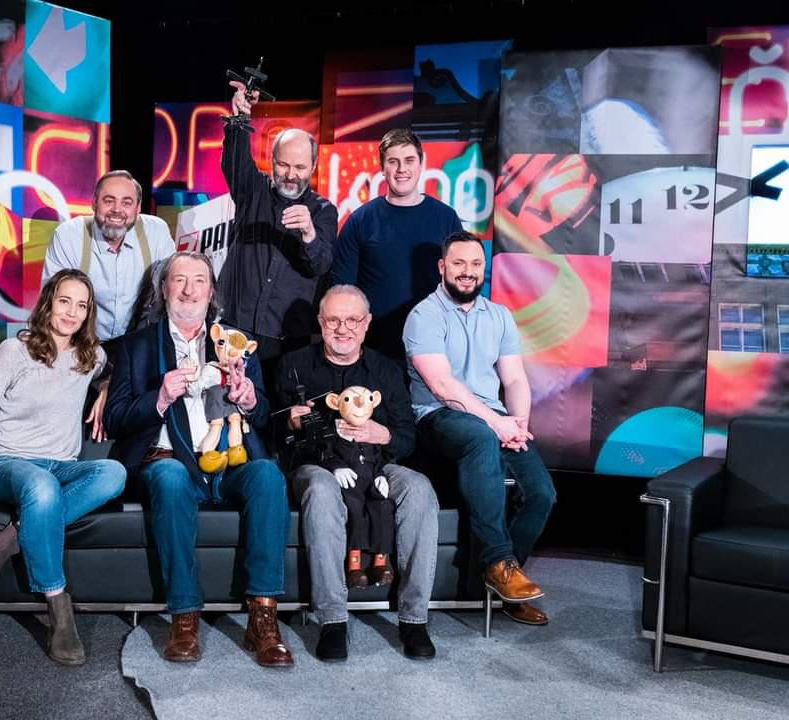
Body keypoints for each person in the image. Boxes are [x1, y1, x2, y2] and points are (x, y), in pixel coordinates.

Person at [104, 251, 294, 668]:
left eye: (199, 281)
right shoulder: (137, 346)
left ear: (211, 292)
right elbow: (115, 419)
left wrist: (249, 400)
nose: (189, 290)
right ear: (164, 289)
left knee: (267, 475)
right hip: (169, 459)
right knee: (170, 476)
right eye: (179, 280)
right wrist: (159, 397)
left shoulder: (236, 343)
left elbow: (264, 416)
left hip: (229, 460)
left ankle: (263, 616)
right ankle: (185, 616)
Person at [0, 269, 127, 665]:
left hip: (62, 465)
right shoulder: (14, 351)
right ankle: (58, 608)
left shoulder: (91, 356)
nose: (72, 312)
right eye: (65, 301)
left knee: (114, 473)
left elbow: (113, 372)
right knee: (42, 486)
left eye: (81, 306)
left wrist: (105, 390)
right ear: (49, 302)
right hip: (10, 463)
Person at [274, 285, 440, 661]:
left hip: (379, 464)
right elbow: (276, 437)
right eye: (333, 320)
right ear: (321, 322)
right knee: (321, 489)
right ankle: (333, 620)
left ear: (366, 324)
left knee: (419, 488)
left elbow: (407, 437)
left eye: (352, 320)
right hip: (318, 465)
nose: (342, 328)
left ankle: (414, 619)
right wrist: (292, 424)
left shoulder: (386, 370)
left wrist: (384, 435)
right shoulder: (294, 365)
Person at [404, 231, 556, 626]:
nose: (467, 271)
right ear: (442, 267)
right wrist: (497, 423)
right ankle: (499, 562)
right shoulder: (424, 316)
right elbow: (442, 386)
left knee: (542, 494)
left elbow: (515, 379)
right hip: (437, 416)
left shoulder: (499, 315)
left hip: (495, 417)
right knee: (480, 436)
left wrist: (518, 424)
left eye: (475, 264)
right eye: (459, 263)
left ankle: (504, 580)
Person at [42, 169, 176, 441]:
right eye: (108, 200)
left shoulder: (156, 233)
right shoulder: (69, 237)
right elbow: (57, 315)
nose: (117, 210)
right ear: (94, 203)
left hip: (137, 343)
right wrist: (102, 378)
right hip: (82, 342)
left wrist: (117, 380)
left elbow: (166, 307)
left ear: (138, 208)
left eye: (127, 202)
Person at [216, 81, 338, 360]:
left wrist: (309, 233)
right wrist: (240, 119)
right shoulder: (253, 191)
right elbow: (234, 162)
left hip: (286, 339)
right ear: (271, 160)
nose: (291, 175)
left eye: (300, 167)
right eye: (283, 165)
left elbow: (320, 265)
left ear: (313, 166)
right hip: (235, 325)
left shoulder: (323, 211)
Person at [331, 129, 463, 359]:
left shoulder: (446, 218)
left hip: (432, 346)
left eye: (409, 160)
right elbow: (341, 290)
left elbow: (458, 284)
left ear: (421, 164)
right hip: (373, 349)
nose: (402, 169)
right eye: (393, 162)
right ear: (382, 168)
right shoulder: (360, 220)